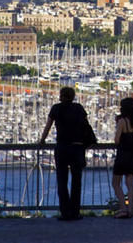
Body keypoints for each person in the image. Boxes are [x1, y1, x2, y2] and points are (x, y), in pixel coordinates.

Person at [39, 87, 89, 221]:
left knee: (62, 180)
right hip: (77, 148)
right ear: (73, 96)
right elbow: (86, 127)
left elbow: (48, 126)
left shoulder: (56, 108)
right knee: (76, 182)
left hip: (62, 147)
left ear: (61, 96)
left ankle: (65, 212)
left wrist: (42, 140)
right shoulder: (79, 108)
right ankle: (75, 212)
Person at [111, 97, 133, 219]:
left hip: (122, 155)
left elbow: (117, 139)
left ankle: (123, 208)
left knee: (116, 183)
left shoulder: (122, 121)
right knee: (130, 184)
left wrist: (117, 124)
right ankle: (130, 210)